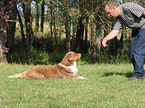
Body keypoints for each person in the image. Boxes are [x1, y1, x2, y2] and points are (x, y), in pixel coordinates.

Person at [102, 1, 145, 81]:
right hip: (137, 30)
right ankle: (141, 73)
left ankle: (138, 75)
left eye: (108, 12)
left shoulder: (128, 7)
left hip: (144, 27)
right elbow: (115, 31)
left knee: (138, 51)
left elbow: (144, 12)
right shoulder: (119, 18)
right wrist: (105, 38)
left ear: (114, 8)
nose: (108, 15)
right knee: (133, 51)